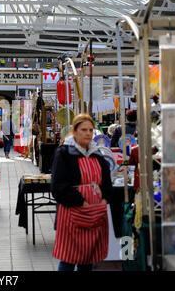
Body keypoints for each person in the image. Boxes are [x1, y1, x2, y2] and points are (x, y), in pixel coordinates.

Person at [51, 114, 113, 271]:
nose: (88, 133)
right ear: (75, 131)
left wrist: (104, 200)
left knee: (88, 259)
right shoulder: (64, 153)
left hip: (96, 214)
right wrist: (81, 202)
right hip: (72, 214)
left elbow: (106, 182)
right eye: (83, 129)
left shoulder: (97, 153)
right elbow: (58, 187)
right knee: (69, 259)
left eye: (91, 130)